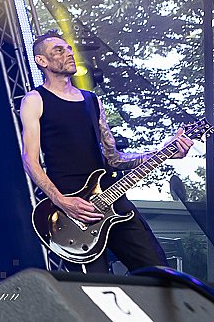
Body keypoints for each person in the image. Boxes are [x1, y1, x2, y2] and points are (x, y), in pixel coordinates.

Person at [19, 30, 193, 273]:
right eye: (59, 50)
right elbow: (29, 159)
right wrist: (61, 201)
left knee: (160, 272)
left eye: (68, 48)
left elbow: (114, 158)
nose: (69, 53)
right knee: (94, 285)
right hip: (73, 209)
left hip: (110, 195)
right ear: (42, 61)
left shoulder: (92, 101)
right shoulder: (35, 100)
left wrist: (164, 151)